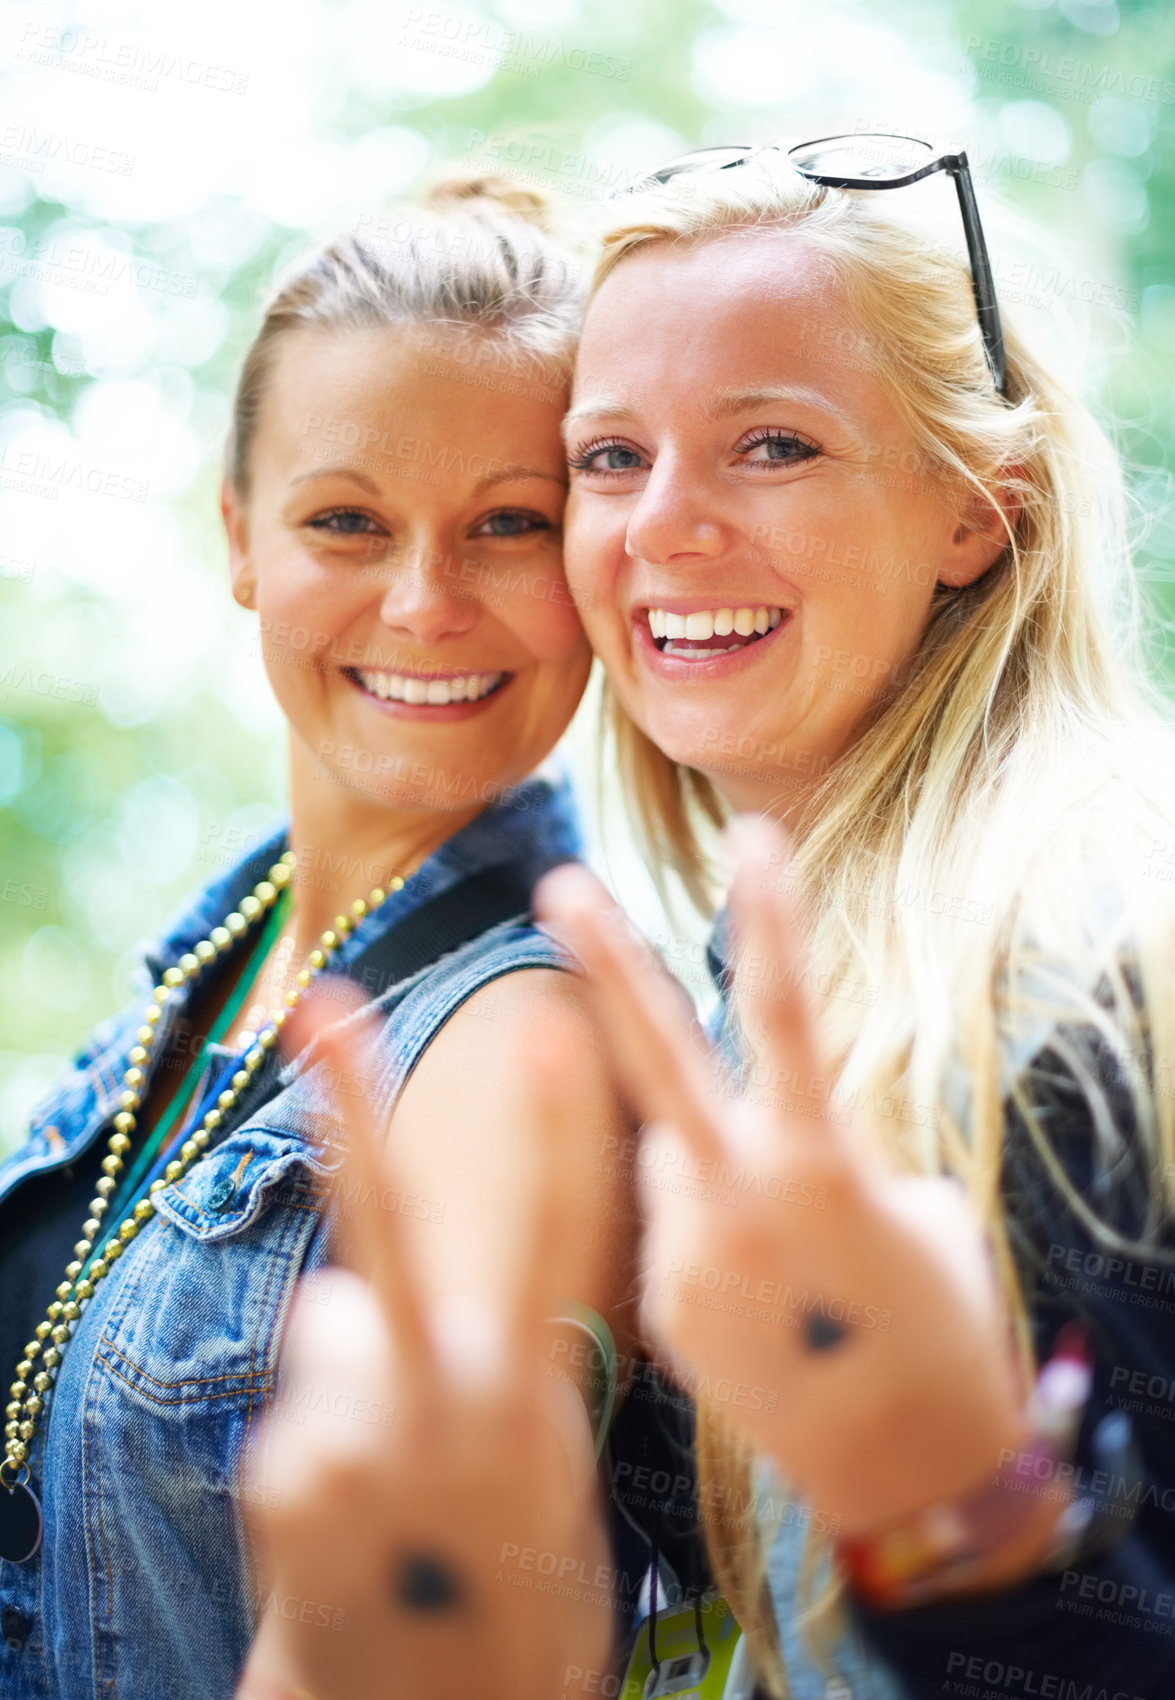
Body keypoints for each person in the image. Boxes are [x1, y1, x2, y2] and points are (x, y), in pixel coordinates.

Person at [536, 132, 1175, 1697]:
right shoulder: (782, 973)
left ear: (977, 510)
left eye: (773, 445)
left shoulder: (1074, 965)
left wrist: (963, 1516)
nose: (661, 525)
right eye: (611, 457)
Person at [0, 175, 638, 1700]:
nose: (424, 603)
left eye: (511, 526)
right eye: (347, 519)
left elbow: (443, 1612)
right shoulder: (227, 949)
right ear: (241, 537)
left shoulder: (523, 1038)